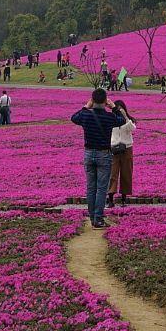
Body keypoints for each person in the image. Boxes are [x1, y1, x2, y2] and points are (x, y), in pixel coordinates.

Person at [71, 88, 127, 228]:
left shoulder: (86, 116)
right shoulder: (109, 117)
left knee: (91, 187)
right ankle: (98, 218)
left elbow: (74, 117)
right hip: (104, 155)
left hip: (89, 154)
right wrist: (114, 107)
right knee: (102, 188)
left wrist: (86, 106)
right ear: (105, 101)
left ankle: (92, 217)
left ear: (92, 100)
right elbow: (122, 120)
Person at [107, 100, 136, 208]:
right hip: (113, 148)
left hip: (127, 148)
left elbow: (132, 128)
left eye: (120, 108)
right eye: (116, 108)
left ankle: (124, 198)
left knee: (126, 173)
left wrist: (125, 117)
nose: (118, 110)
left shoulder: (129, 120)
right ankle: (110, 199)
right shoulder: (111, 120)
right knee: (112, 174)